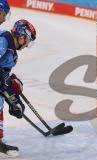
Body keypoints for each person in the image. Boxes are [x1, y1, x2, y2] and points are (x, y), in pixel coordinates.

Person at [0, 19, 36, 157]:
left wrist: (12, 87)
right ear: (21, 36)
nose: (27, 44)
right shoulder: (5, 40)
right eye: (28, 40)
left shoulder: (13, 53)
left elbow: (4, 74)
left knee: (10, 93)